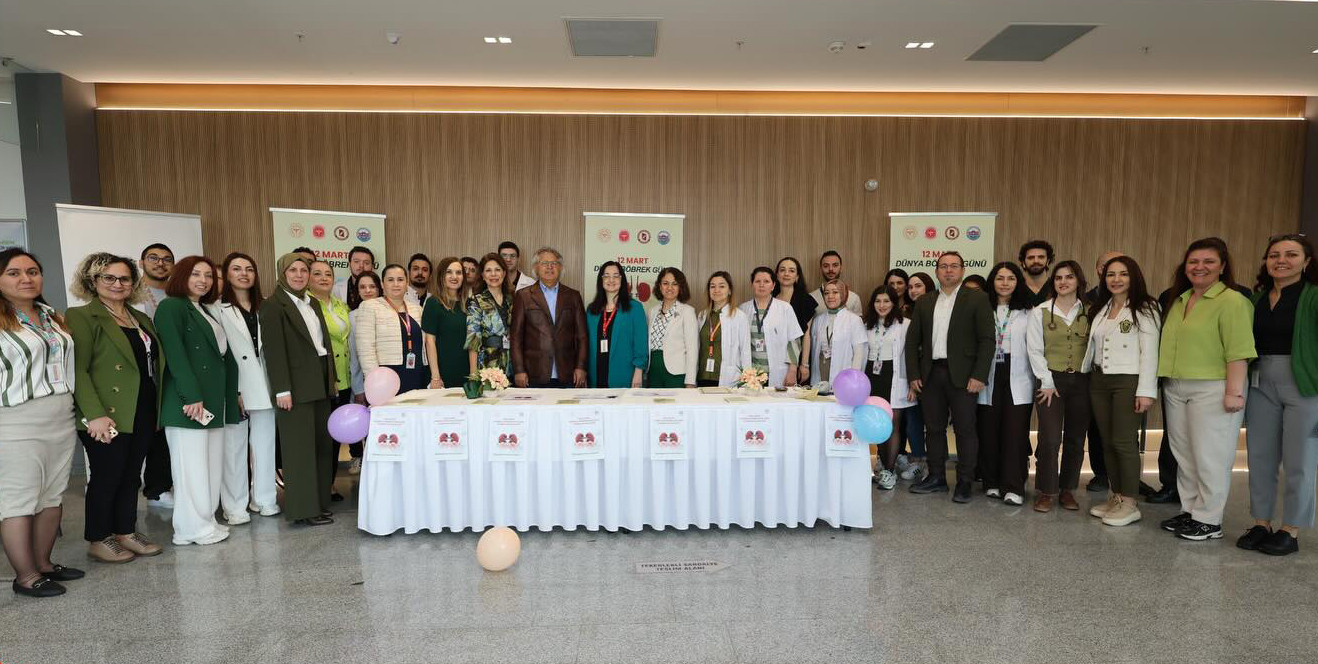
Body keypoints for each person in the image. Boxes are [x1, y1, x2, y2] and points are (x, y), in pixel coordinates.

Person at [67, 252, 166, 563]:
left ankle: (125, 531)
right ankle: (99, 538)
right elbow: (79, 370)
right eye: (108, 277)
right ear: (92, 281)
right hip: (105, 411)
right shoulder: (82, 316)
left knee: (131, 475)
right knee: (107, 475)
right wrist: (94, 414)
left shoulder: (140, 318)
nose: (117, 283)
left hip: (142, 406)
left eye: (124, 278)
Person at [1157, 237, 1256, 541]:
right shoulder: (1180, 300)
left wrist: (1234, 392)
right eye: (1193, 262)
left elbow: (1239, 350)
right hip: (1176, 385)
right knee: (1184, 453)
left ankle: (1210, 520)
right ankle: (1190, 510)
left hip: (1214, 386)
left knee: (1211, 455)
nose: (1200, 267)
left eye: (1208, 261)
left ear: (1222, 266)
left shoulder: (1233, 301)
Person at [0, 249, 82, 597]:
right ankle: (26, 576)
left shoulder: (52, 316)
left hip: (60, 416)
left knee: (52, 495)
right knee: (19, 500)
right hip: (16, 422)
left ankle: (44, 564)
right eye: (14, 273)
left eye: (32, 271)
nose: (26, 278)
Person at [1238, 234, 1318, 555]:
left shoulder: (1313, 296)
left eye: (1291, 254)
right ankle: (1262, 522)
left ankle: (1291, 529)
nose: (1281, 260)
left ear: (1306, 261)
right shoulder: (1256, 299)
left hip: (1305, 384)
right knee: (1259, 456)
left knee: (1301, 459)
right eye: (1274, 255)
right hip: (1260, 381)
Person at [153, 256, 240, 546]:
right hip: (188, 402)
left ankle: (206, 520)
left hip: (213, 400)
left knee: (210, 465)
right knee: (190, 469)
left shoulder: (204, 309)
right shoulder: (171, 307)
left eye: (208, 275)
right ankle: (189, 529)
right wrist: (191, 396)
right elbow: (175, 355)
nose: (203, 280)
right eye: (195, 274)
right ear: (181, 276)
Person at [905, 251, 994, 503]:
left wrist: (979, 375)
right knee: (933, 429)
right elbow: (912, 342)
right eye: (943, 266)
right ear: (936, 271)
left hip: (965, 376)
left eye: (954, 266)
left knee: (965, 429)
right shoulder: (925, 301)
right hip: (931, 374)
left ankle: (965, 481)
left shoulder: (977, 299)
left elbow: (987, 340)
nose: (948, 270)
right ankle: (936, 477)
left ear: (962, 270)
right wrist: (913, 374)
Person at [261, 253, 338, 526]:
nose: (299, 275)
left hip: (319, 379)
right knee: (299, 451)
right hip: (294, 386)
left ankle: (318, 504)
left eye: (303, 270)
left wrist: (331, 379)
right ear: (282, 273)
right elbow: (274, 351)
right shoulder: (273, 306)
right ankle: (303, 510)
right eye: (292, 270)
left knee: (321, 447)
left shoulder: (312, 302)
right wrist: (282, 390)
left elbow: (324, 345)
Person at [1083, 255, 1160, 527]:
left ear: (1133, 276)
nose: (1116, 279)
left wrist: (1146, 390)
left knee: (1124, 442)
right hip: (1099, 380)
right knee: (1107, 441)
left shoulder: (1145, 307)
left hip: (1127, 380)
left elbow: (1150, 352)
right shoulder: (1102, 308)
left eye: (1123, 274)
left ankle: (1129, 502)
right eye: (1111, 274)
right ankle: (1116, 496)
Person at [215, 252, 278, 519]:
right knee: (234, 448)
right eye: (237, 269)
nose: (244, 274)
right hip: (235, 385)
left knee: (265, 445)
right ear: (226, 274)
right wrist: (233, 390)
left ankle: (264, 499)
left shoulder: (266, 306)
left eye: (249, 269)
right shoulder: (216, 309)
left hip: (264, 384)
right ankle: (234, 506)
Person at [1026, 260, 1092, 513]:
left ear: (1078, 281)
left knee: (1075, 438)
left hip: (1082, 381)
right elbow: (1034, 349)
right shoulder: (1040, 311)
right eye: (1058, 278)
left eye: (1069, 277)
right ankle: (1046, 490)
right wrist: (1046, 381)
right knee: (1050, 438)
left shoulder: (1090, 311)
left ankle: (1067, 489)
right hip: (1049, 381)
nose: (1063, 282)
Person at [975, 263, 1036, 506]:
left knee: (1014, 432)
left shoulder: (1029, 311)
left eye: (1011, 278)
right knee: (988, 430)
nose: (1005, 283)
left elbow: (1035, 347)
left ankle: (1013, 487)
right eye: (1000, 278)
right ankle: (991, 482)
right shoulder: (982, 309)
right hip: (987, 373)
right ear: (992, 282)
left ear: (1018, 282)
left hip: (1018, 374)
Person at [862, 286, 915, 490]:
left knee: (892, 424)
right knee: (878, 424)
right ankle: (883, 465)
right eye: (878, 301)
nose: (882, 305)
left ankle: (890, 471)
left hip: (894, 378)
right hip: (872, 377)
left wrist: (912, 383)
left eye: (886, 301)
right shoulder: (866, 325)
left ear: (894, 303)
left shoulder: (905, 325)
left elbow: (911, 356)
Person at [511, 248, 588, 388]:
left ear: (560, 267)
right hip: (534, 372)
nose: (549, 267)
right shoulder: (523, 296)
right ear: (536, 267)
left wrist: (581, 366)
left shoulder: (573, 296)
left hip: (567, 373)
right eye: (544, 263)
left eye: (554, 263)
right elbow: (516, 337)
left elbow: (582, 336)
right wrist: (519, 370)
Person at [1082, 250, 1125, 493]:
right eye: (1109, 268)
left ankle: (1127, 478)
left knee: (1124, 431)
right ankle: (1101, 474)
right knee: (1097, 427)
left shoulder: (1139, 301)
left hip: (1125, 376)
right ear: (1100, 270)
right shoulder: (1086, 300)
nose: (1116, 275)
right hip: (1094, 374)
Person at [136, 242, 175, 507]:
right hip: (146, 371)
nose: (160, 263)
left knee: (169, 429)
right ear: (141, 263)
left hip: (173, 369)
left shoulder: (177, 293)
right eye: (153, 258)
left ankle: (166, 484)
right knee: (152, 430)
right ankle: (156, 489)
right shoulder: (132, 293)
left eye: (166, 259)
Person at [309, 260, 352, 501]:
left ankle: (330, 483)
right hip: (322, 378)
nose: (324, 278)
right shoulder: (306, 305)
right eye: (317, 274)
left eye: (328, 274)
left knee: (335, 436)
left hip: (343, 378)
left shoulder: (339, 304)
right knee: (319, 437)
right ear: (308, 278)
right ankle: (315, 486)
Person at [357, 264, 429, 394]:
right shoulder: (370, 306)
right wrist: (375, 380)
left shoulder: (417, 309)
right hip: (386, 377)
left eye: (400, 279)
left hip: (417, 372)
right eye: (390, 280)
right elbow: (365, 349)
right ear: (382, 284)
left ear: (407, 283)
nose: (396, 284)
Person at [896, 271, 935, 480]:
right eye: (910, 287)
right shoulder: (905, 313)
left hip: (934, 374)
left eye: (918, 286)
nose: (913, 290)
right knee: (913, 421)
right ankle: (918, 461)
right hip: (913, 376)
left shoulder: (938, 309)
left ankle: (932, 465)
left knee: (933, 424)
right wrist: (912, 378)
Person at [739, 267, 804, 389]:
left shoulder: (785, 308)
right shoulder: (743, 309)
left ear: (773, 285)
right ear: (752, 285)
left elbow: (794, 341)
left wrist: (792, 371)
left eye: (766, 281)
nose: (761, 285)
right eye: (757, 281)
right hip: (751, 374)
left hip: (779, 371)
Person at [586, 262, 648, 388]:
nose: (611, 280)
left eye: (616, 276)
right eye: (607, 276)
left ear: (622, 279)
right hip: (595, 374)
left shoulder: (634, 308)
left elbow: (641, 343)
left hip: (624, 374)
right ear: (601, 280)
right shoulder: (592, 310)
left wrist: (639, 370)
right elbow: (586, 344)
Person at [345, 270, 381, 475]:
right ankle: (362, 461)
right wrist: (359, 388)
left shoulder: (389, 311)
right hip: (365, 382)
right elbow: (355, 356)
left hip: (389, 382)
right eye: (362, 287)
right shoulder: (353, 317)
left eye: (372, 286)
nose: (368, 291)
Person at [696, 271, 752, 387]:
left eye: (721, 286)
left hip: (728, 378)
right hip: (702, 375)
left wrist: (747, 381)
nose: (716, 290)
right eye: (712, 286)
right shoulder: (702, 316)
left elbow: (745, 351)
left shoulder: (739, 316)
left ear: (729, 290)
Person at [647, 267, 700, 388]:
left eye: (674, 284)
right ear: (659, 286)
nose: (669, 288)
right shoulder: (652, 311)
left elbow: (692, 349)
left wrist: (690, 381)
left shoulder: (687, 311)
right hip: (653, 371)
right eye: (665, 283)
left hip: (676, 374)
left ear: (680, 287)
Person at [809, 280, 866, 389]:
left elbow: (859, 354)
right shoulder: (818, 320)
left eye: (835, 292)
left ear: (843, 295)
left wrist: (853, 379)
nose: (830, 296)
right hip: (820, 371)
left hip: (844, 375)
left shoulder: (854, 320)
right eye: (826, 293)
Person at [422, 257, 470, 388]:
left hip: (466, 371)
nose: (454, 277)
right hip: (442, 372)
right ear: (441, 276)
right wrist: (435, 376)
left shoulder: (468, 304)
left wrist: (473, 375)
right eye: (449, 272)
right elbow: (429, 341)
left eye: (459, 273)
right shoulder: (433, 303)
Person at [466, 253, 514, 376]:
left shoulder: (512, 299)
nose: (493, 274)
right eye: (488, 270)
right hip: (488, 364)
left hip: (512, 363)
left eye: (497, 270)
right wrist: (473, 374)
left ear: (504, 273)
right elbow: (473, 340)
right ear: (482, 275)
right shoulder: (476, 301)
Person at [775, 257, 816, 384]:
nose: (786, 274)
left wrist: (804, 364)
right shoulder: (770, 299)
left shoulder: (806, 300)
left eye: (791, 271)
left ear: (797, 277)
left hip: (797, 359)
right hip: (774, 356)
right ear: (777, 275)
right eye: (782, 270)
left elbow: (807, 335)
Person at [810, 251, 862, 316]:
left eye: (835, 265)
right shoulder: (811, 298)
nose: (831, 269)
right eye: (826, 266)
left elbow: (858, 322)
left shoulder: (854, 298)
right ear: (821, 269)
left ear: (841, 268)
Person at [1018, 240, 1054, 307]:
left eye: (1041, 257)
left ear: (1048, 261)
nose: (1036, 261)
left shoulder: (1056, 287)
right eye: (1030, 258)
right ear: (1023, 262)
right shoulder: (1016, 287)